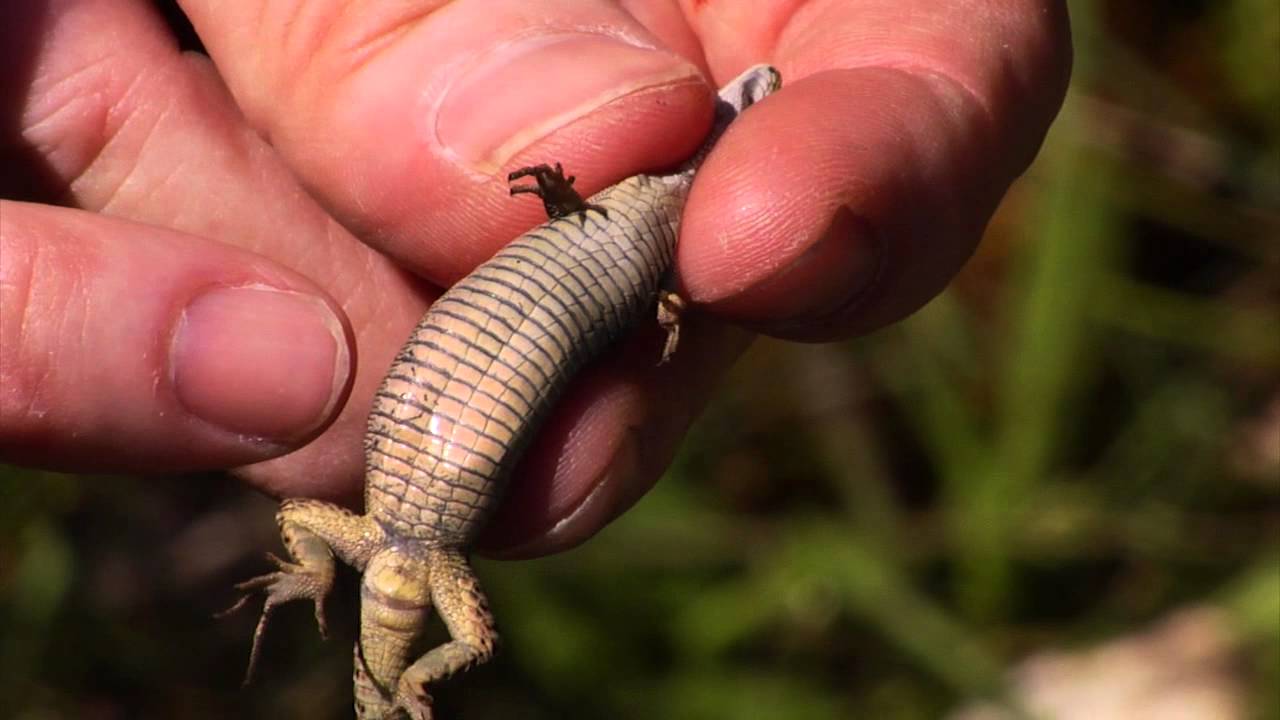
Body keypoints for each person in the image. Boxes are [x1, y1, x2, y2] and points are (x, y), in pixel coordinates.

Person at [0, 1, 1071, 557]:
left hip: (420, 471)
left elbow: (633, 248)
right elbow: (609, 218)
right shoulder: (664, 165)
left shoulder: (689, 201)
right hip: (437, 449)